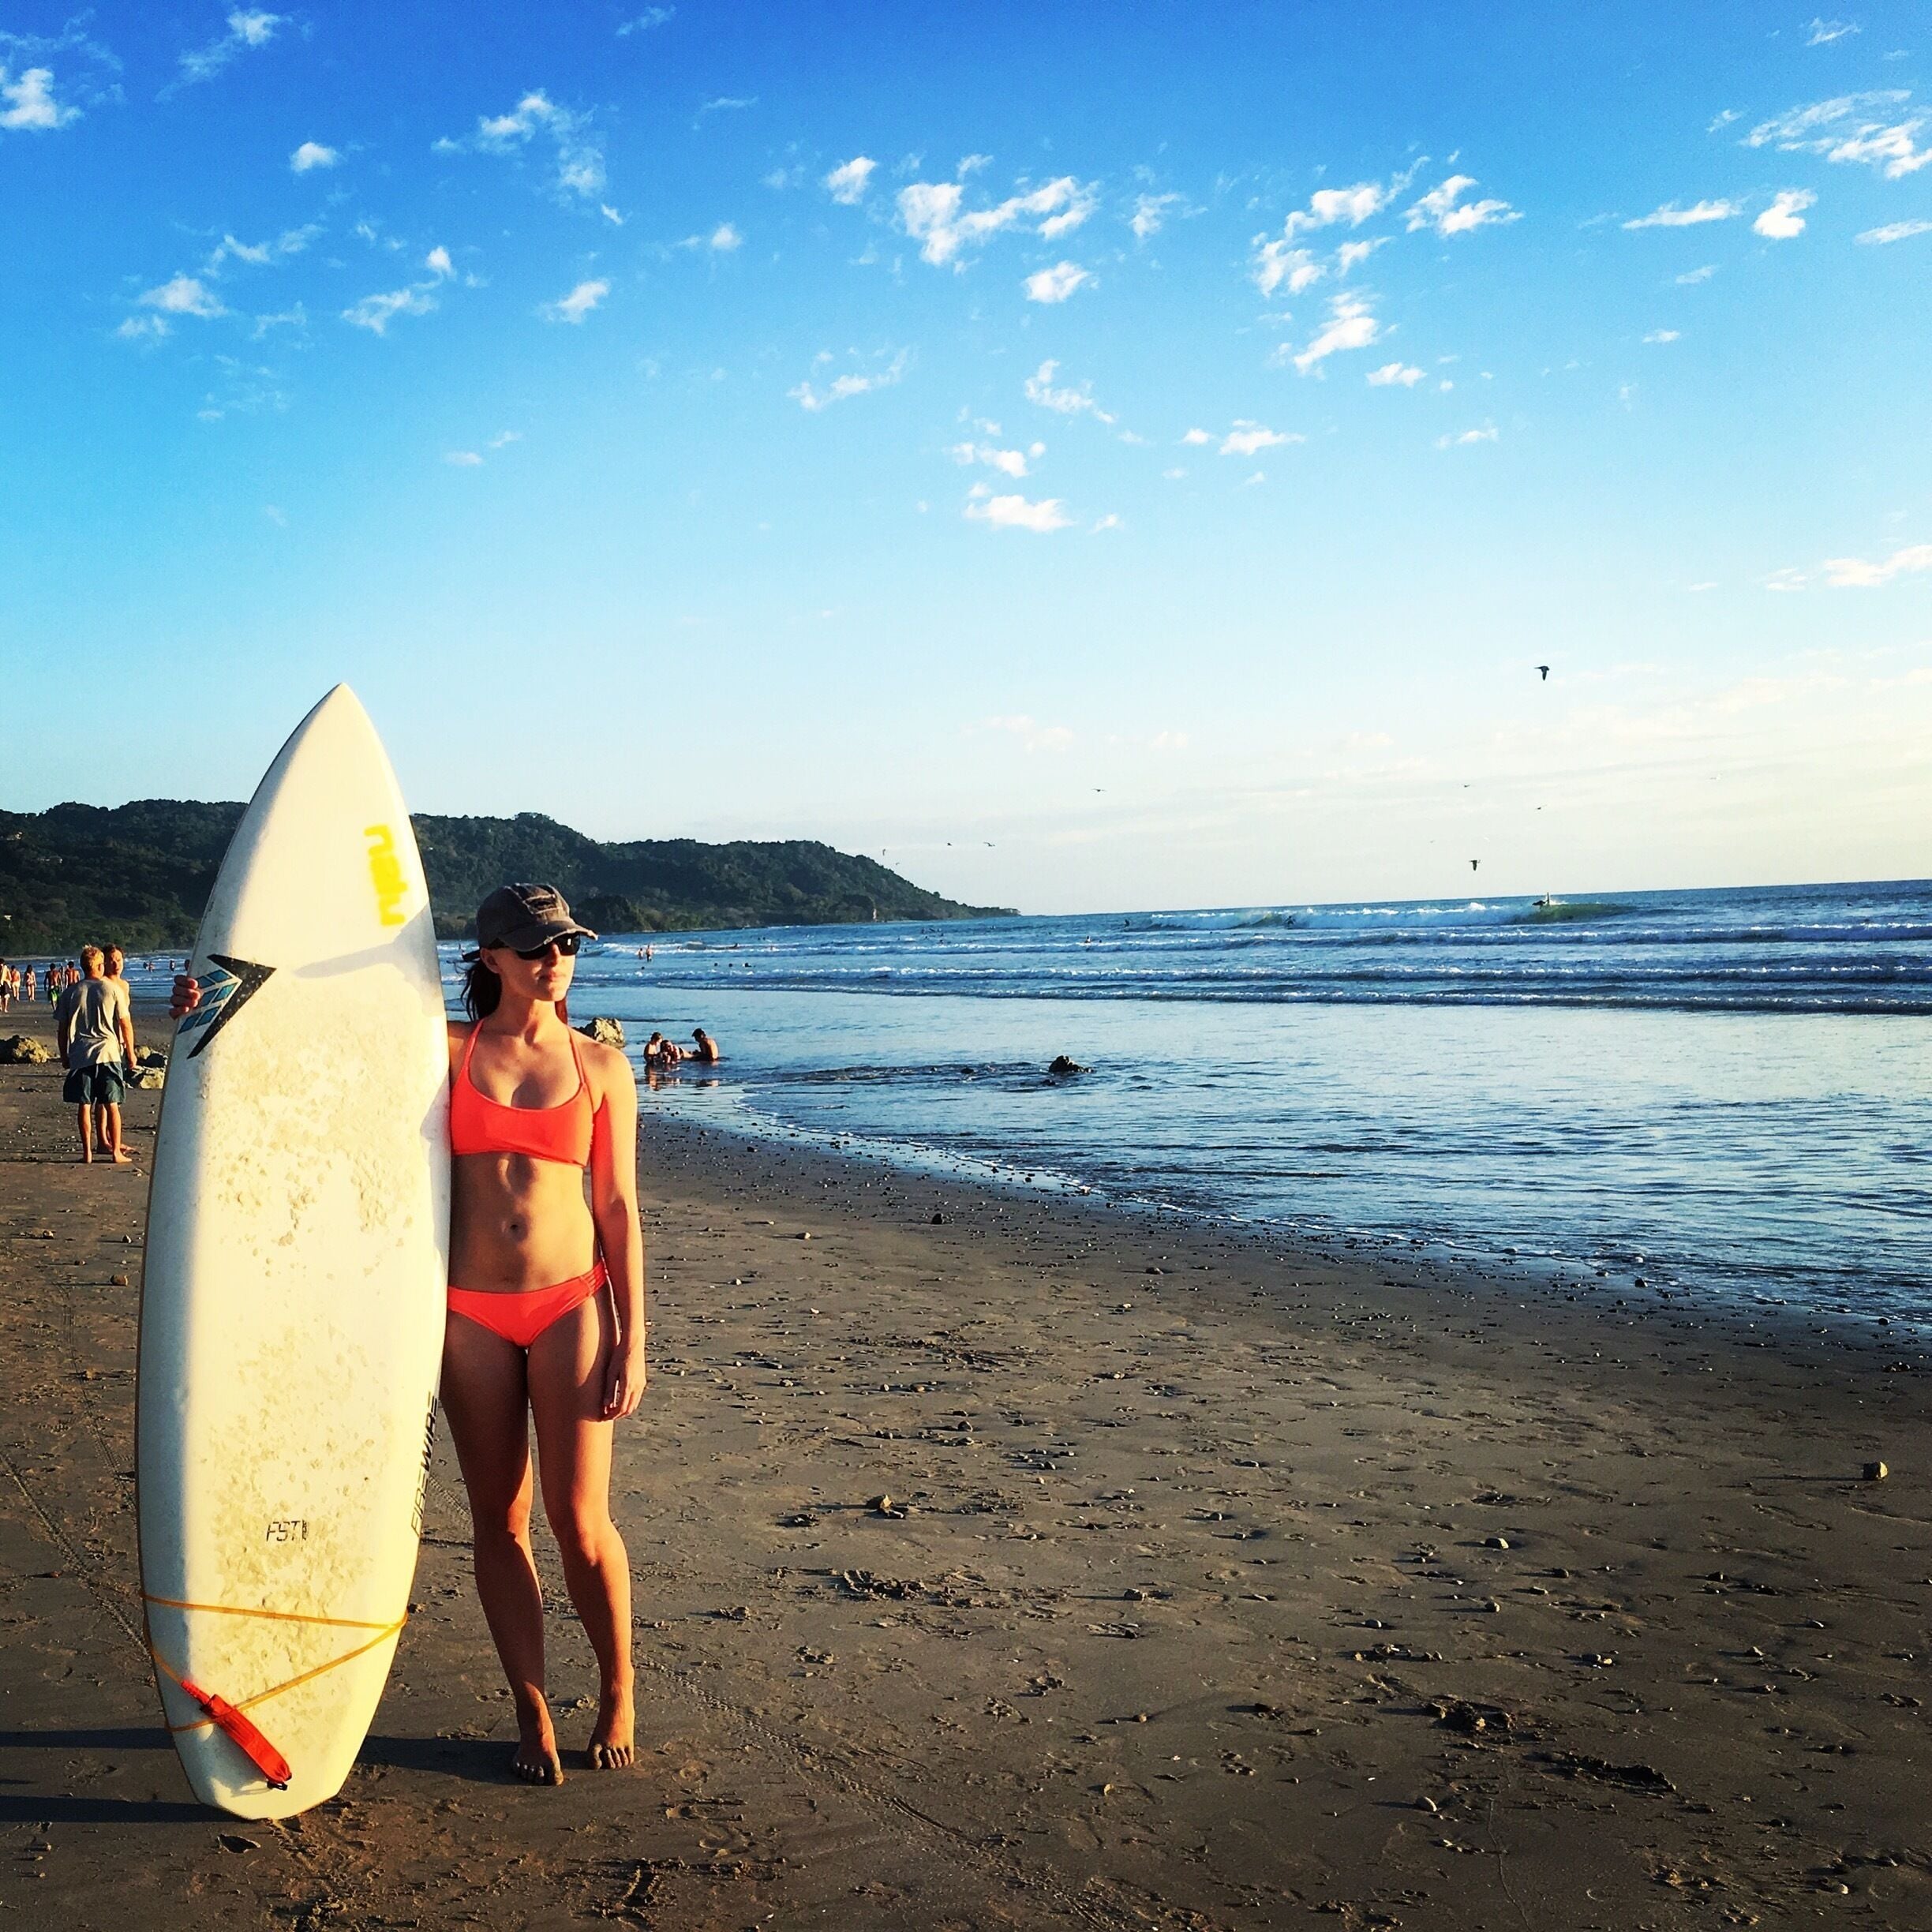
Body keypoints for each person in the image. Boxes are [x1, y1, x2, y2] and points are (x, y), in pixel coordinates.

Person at [444, 884, 646, 1784]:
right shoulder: (442, 1054)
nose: (553, 959)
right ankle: (530, 1709)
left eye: (564, 943)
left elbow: (617, 1207)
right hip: (469, 1314)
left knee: (580, 1521)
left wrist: (635, 1338)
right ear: (490, 956)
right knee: (501, 1520)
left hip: (572, 1306)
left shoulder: (600, 1067)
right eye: (533, 946)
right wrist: (200, 1010)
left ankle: (616, 1684)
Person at [56, 945, 136, 1164]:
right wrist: (131, 1053)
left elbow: (62, 1030)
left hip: (81, 1052)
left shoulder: (70, 992)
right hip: (108, 1052)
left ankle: (87, 1153)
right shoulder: (112, 989)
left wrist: (64, 1055)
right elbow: (125, 1024)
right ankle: (115, 1153)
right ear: (100, 965)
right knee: (112, 1103)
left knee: (85, 1104)